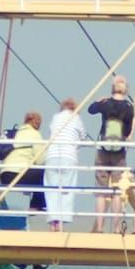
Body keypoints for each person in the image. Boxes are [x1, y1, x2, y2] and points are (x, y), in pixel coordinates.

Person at [87, 76, 135, 232]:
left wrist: (98, 101)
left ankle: (100, 226)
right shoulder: (129, 107)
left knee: (101, 191)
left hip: (103, 149)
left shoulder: (106, 103)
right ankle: (116, 227)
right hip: (119, 151)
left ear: (112, 88)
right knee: (116, 190)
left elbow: (90, 110)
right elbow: (128, 131)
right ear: (126, 89)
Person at [43, 98, 87, 230]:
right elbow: (83, 136)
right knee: (66, 189)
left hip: (52, 155)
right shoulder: (76, 118)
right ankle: (61, 222)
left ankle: (52, 222)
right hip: (69, 156)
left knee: (51, 189)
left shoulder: (55, 118)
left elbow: (51, 132)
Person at [0, 110, 47, 212]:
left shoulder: (16, 133)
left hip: (5, 176)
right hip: (19, 175)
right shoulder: (35, 134)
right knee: (44, 172)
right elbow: (41, 160)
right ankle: (36, 206)